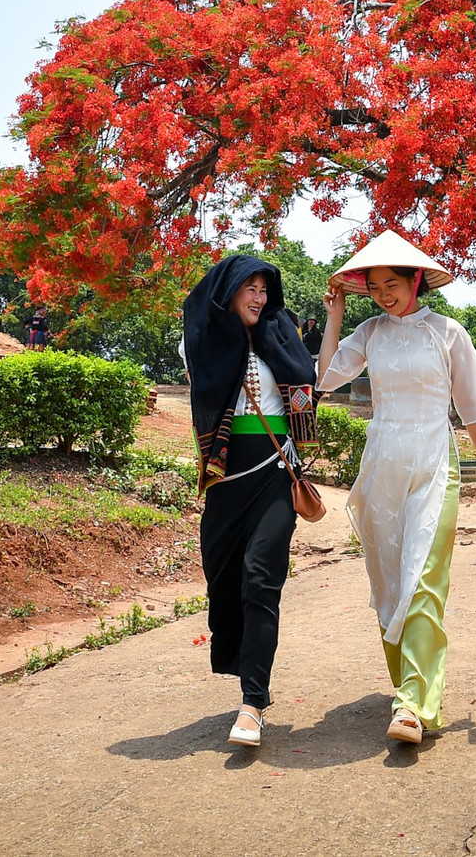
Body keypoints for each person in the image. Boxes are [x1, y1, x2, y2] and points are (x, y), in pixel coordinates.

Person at [317, 231, 476, 745]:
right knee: (391, 580)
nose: (383, 295)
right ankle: (410, 686)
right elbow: (326, 378)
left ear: (416, 280)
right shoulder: (370, 332)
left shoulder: (448, 333)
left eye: (392, 285)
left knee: (423, 576)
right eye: (374, 287)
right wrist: (335, 317)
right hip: (383, 465)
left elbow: (473, 407)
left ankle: (413, 704)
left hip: (434, 462)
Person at [181, 253, 319, 749]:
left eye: (264, 290)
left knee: (261, 578)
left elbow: (314, 379)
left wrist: (332, 318)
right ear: (229, 291)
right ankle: (248, 671)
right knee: (225, 580)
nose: (260, 298)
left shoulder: (282, 336)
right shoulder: (200, 341)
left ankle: (253, 702)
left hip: (276, 473)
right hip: (226, 478)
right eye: (250, 288)